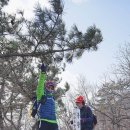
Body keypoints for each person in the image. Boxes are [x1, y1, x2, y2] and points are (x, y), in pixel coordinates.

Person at [35, 63, 58, 130]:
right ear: (45, 87)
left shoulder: (53, 99)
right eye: (49, 87)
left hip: (54, 122)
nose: (50, 89)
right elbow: (40, 85)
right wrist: (43, 74)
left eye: (52, 88)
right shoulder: (41, 95)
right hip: (43, 121)